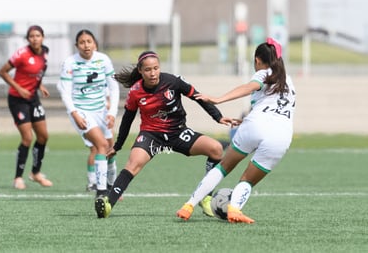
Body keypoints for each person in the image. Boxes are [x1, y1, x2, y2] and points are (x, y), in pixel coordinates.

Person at [94, 50, 235, 218]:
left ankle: (206, 196)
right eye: (148, 70)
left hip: (178, 132)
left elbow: (198, 97)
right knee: (133, 164)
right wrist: (118, 145)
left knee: (216, 149)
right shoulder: (135, 91)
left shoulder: (173, 81)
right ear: (140, 71)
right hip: (151, 135)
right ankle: (108, 203)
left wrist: (218, 117)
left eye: (156, 68)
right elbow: (127, 119)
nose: (153, 73)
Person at [176, 38, 296, 223]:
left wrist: (218, 99)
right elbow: (275, 108)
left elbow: (249, 87)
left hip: (255, 125)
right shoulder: (288, 80)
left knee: (223, 167)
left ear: (257, 60)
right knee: (247, 179)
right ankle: (234, 209)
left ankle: (189, 205)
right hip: (281, 135)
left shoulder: (264, 73)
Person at [57, 29, 120, 196]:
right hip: (82, 111)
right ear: (76, 45)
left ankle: (112, 186)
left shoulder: (103, 60)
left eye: (89, 41)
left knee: (111, 149)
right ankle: (100, 190)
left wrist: (112, 112)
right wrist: (74, 113)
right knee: (101, 145)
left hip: (102, 111)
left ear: (95, 44)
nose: (86, 45)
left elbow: (113, 87)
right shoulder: (70, 63)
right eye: (82, 42)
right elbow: (64, 91)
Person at [0, 25, 53, 190]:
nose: (35, 38)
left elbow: (36, 73)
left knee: (43, 136)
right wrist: (19, 88)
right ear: (28, 39)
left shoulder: (45, 53)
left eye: (37, 35)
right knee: (27, 138)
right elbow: (2, 72)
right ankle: (18, 178)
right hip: (17, 99)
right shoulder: (21, 54)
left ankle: (35, 173)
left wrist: (40, 85)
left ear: (42, 37)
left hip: (33, 98)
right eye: (31, 36)